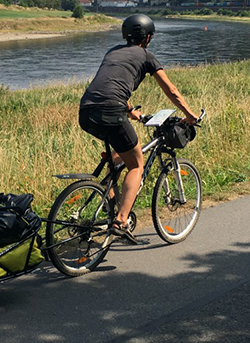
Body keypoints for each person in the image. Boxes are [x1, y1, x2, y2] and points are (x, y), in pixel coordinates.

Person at [78, 13, 198, 244]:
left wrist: (131, 111)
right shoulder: (146, 56)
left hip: (86, 111)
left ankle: (110, 207)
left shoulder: (112, 51)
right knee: (136, 164)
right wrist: (190, 115)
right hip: (112, 110)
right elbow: (171, 90)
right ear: (148, 37)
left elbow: (110, 84)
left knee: (116, 159)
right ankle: (121, 221)